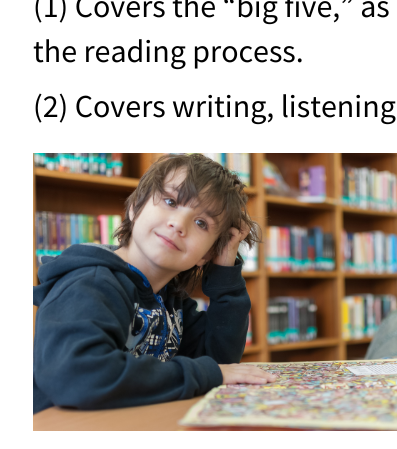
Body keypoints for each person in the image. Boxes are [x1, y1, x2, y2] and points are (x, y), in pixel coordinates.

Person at [33, 154, 277, 414]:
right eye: (170, 201)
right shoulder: (89, 284)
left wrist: (225, 266)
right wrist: (208, 373)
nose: (178, 224)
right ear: (135, 206)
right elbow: (78, 378)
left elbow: (218, 363)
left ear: (206, 255)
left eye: (201, 223)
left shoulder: (171, 300)